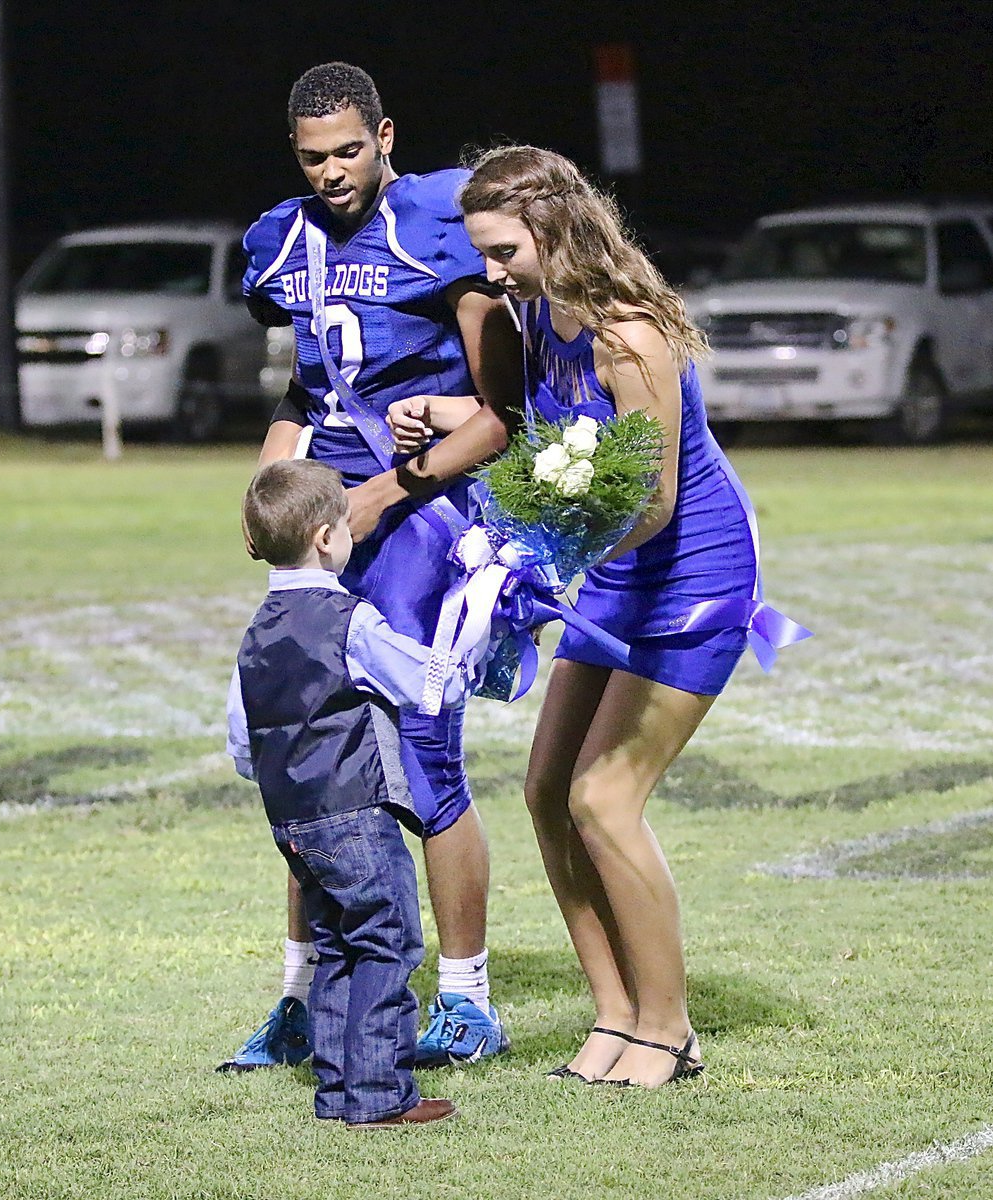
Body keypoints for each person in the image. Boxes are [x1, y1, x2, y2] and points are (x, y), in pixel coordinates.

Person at [445, 145, 788, 1088]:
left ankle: (668, 1032)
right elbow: (530, 437)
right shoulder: (533, 314)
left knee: (604, 800)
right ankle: (615, 1016)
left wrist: (538, 554)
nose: (491, 269)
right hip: (608, 570)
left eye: (504, 248)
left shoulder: (627, 334)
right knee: (546, 793)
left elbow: (657, 500)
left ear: (554, 230)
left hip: (688, 578)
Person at [219, 62, 521, 1073]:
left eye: (349, 149)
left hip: (425, 516)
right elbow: (306, 391)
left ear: (385, 135)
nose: (333, 172)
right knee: (303, 761)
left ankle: (468, 1000)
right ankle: (304, 996)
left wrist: (379, 496)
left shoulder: (438, 225)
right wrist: (274, 478)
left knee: (423, 755)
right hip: (329, 527)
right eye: (314, 157)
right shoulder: (282, 238)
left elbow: (500, 415)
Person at [226, 460, 494, 1126]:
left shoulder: (257, 627)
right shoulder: (349, 620)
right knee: (386, 941)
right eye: (346, 525)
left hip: (290, 817)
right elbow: (428, 685)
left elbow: (240, 735)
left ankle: (339, 1089)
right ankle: (377, 1095)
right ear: (325, 539)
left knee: (339, 944)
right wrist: (479, 627)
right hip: (353, 808)